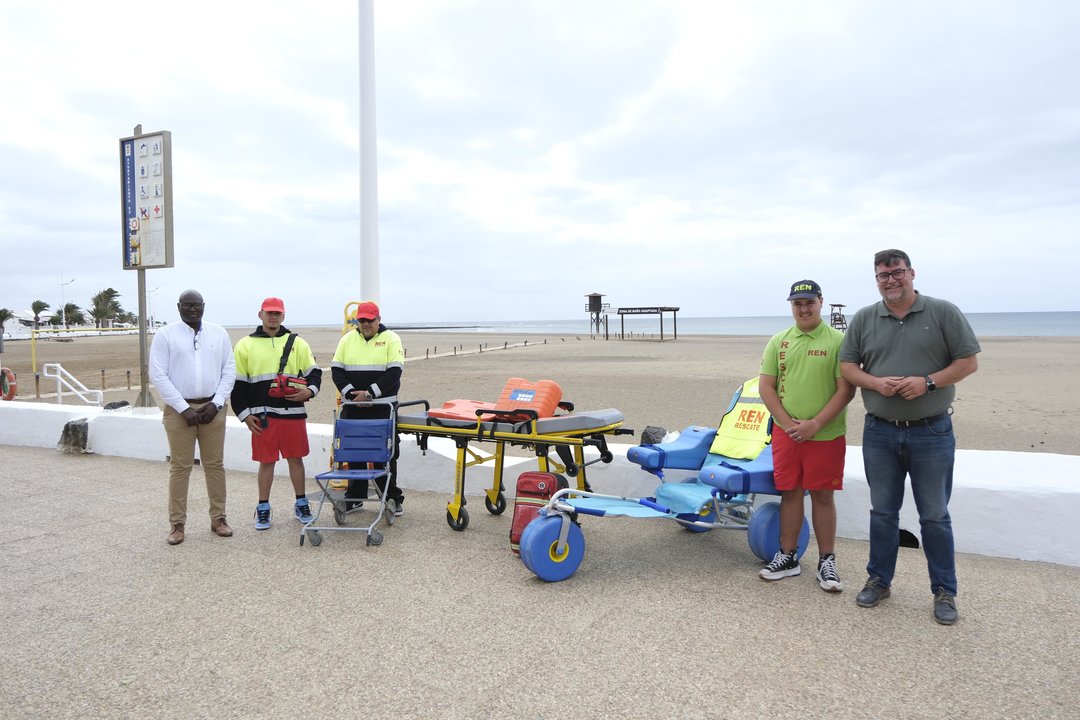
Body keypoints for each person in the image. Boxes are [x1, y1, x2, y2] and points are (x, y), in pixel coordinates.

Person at [839, 249, 980, 625]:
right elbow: (848, 366)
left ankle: (944, 592)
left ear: (911, 273)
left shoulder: (943, 312)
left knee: (934, 516)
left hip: (932, 431)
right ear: (877, 280)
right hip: (879, 432)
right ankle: (879, 580)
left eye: (896, 272)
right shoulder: (866, 318)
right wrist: (876, 383)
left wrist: (927, 382)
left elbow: (968, 362)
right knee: (883, 512)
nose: (890, 280)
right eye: (883, 275)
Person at [758, 280, 855, 591]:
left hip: (826, 433)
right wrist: (787, 424)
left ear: (821, 302)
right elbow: (766, 387)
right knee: (791, 492)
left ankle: (827, 561)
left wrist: (814, 424)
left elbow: (845, 390)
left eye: (809, 302)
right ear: (791, 306)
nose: (804, 308)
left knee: (824, 495)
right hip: (788, 434)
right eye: (797, 303)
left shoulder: (840, 341)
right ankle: (788, 556)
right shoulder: (779, 341)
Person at [149, 289, 236, 546]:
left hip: (213, 409)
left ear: (203, 306)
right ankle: (177, 525)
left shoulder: (218, 333)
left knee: (215, 465)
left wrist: (217, 403)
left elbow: (228, 370)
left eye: (196, 305)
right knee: (180, 468)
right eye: (187, 305)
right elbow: (158, 375)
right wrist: (181, 407)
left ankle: (219, 519)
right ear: (179, 307)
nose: (192, 309)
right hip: (179, 412)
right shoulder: (165, 335)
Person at [231, 297, 323, 530]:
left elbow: (315, 373)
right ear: (260, 314)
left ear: (283, 316)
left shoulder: (298, 343)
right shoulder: (244, 345)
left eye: (277, 314)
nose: (273, 317)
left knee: (296, 459)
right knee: (266, 462)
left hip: (292, 412)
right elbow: (238, 385)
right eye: (269, 313)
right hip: (262, 416)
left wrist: (309, 392)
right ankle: (263, 507)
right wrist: (243, 414)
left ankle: (301, 503)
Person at [330, 301, 406, 515]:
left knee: (386, 453)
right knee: (355, 451)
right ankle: (355, 498)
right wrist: (351, 393)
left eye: (369, 320)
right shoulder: (347, 339)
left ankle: (391, 498)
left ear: (378, 320)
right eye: (361, 320)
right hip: (353, 406)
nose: (365, 324)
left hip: (383, 407)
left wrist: (370, 393)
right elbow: (336, 370)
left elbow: (394, 372)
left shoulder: (391, 338)